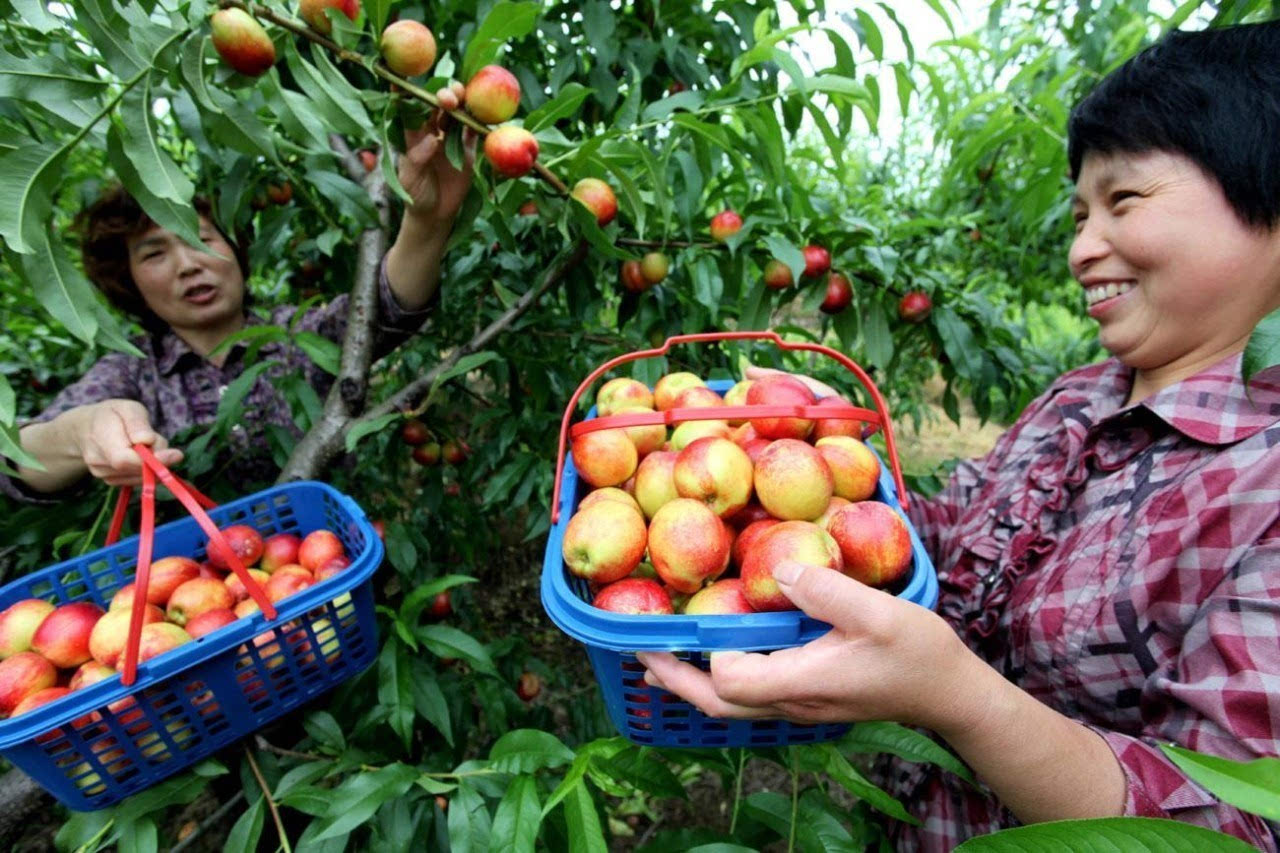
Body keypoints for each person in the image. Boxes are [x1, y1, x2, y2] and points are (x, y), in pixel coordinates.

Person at [639, 21, 1280, 851]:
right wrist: (831, 455)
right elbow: (942, 531)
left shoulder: (1261, 483)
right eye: (1079, 213)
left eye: (1124, 201)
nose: (1084, 248)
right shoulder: (1079, 396)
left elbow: (1233, 830)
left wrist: (957, 697)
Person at [1, 119, 474, 501]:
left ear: (234, 250)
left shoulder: (296, 336)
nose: (187, 264)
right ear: (128, 280)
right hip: (201, 609)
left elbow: (386, 308)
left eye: (200, 238)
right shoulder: (131, 375)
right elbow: (18, 461)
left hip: (335, 576)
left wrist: (428, 222)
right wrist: (83, 431)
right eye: (153, 253)